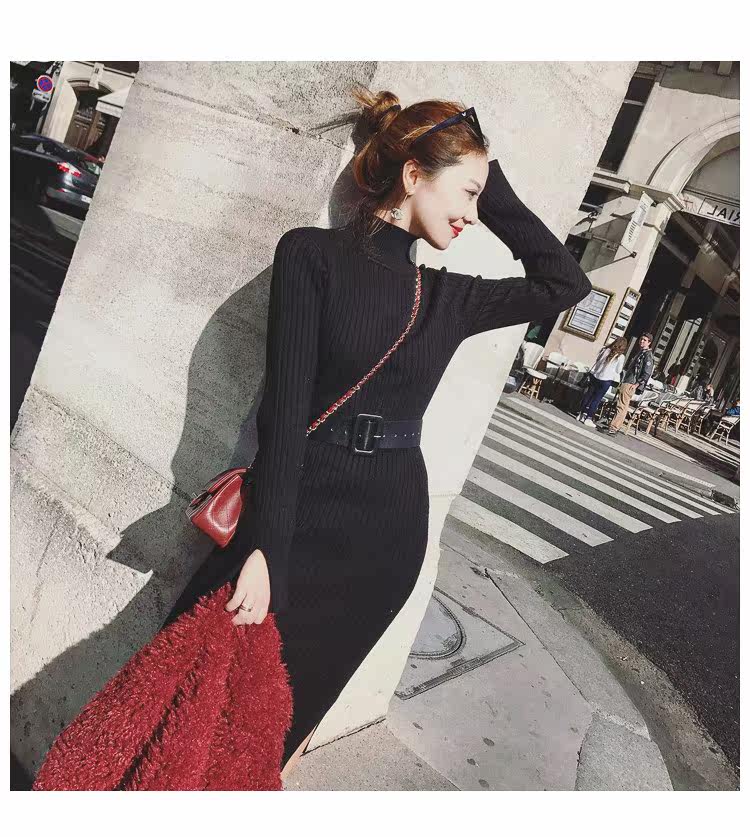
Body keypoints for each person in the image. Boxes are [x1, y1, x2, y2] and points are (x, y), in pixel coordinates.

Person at [159, 86, 592, 784]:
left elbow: (564, 283)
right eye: (467, 193)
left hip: (386, 536)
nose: (473, 214)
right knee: (186, 690)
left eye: (482, 198)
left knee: (279, 725)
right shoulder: (311, 255)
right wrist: (264, 547)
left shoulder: (449, 297)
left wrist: (491, 182)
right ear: (413, 175)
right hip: (301, 513)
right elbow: (283, 414)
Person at [602, 333, 654, 435]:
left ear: (649, 342)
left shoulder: (647, 355)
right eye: (641, 339)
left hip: (631, 382)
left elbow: (647, 373)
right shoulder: (641, 352)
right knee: (620, 404)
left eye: (645, 340)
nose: (642, 341)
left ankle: (614, 428)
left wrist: (636, 385)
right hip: (627, 380)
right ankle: (613, 425)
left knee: (622, 406)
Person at [576, 337, 627, 427]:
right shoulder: (621, 356)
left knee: (588, 395)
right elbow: (618, 370)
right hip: (606, 380)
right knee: (597, 399)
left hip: (595, 376)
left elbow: (597, 361)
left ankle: (581, 414)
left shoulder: (605, 350)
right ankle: (589, 418)